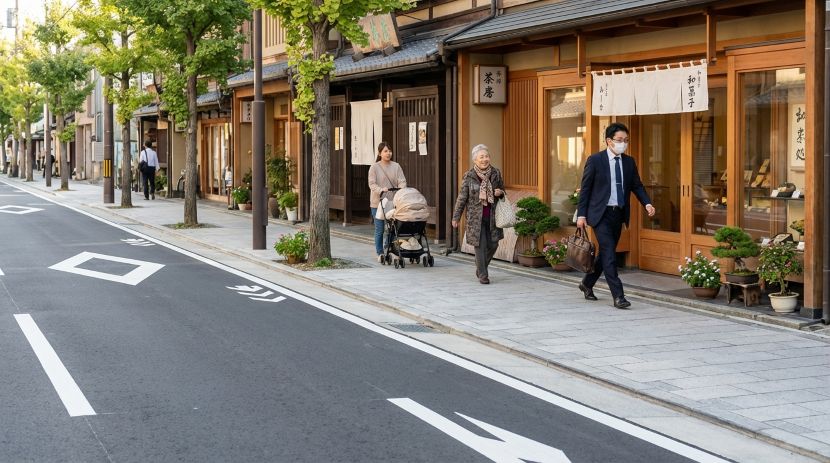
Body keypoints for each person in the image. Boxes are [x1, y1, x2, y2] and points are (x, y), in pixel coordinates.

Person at [576, 122, 656, 309]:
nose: (623, 144)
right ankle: (618, 296)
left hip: (618, 215)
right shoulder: (595, 160)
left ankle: (587, 283)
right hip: (600, 215)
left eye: (626, 141)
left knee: (605, 254)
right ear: (609, 141)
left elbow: (637, 185)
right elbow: (585, 190)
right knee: (610, 255)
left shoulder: (629, 162)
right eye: (620, 140)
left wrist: (647, 203)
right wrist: (581, 215)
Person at [451, 144, 506, 284]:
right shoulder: (469, 176)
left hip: (493, 216)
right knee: (480, 246)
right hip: (475, 218)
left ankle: (480, 267)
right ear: (475, 160)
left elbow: (503, 191)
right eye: (481, 157)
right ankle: (483, 274)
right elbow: (462, 198)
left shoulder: (496, 173)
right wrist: (456, 217)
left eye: (486, 156)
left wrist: (500, 193)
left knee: (494, 244)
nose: (485, 159)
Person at [368, 142, 407, 263]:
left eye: (389, 151)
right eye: (385, 151)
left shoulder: (396, 166)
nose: (388, 153)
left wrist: (402, 189)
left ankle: (387, 247)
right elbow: (372, 184)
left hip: (393, 202)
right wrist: (381, 190)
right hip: (378, 202)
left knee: (393, 228)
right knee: (379, 229)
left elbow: (402, 181)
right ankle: (380, 252)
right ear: (380, 153)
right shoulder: (374, 167)